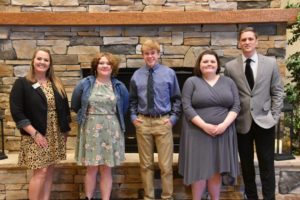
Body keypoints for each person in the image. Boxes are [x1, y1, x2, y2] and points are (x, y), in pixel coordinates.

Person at [224, 27, 284, 200]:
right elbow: (228, 95)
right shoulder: (230, 67)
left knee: (267, 163)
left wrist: (274, 116)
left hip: (265, 121)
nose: (247, 42)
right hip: (242, 122)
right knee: (247, 165)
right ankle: (251, 196)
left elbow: (278, 91)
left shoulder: (270, 63)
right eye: (244, 39)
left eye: (250, 39)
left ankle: (269, 197)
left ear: (256, 41)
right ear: (239, 43)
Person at [9, 49, 71, 200]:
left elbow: (64, 108)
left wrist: (65, 132)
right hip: (35, 134)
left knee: (49, 170)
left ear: (50, 64)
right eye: (39, 59)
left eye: (46, 60)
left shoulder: (56, 83)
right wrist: (34, 133)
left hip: (55, 133)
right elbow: (17, 112)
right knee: (41, 172)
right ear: (33, 60)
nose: (42, 62)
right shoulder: (22, 83)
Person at [178, 50, 240, 200]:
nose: (209, 64)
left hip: (223, 132)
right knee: (198, 170)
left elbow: (236, 106)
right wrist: (204, 126)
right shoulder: (191, 82)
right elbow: (186, 106)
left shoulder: (229, 82)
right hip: (196, 132)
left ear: (218, 64)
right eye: (205, 61)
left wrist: (224, 125)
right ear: (199, 65)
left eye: (212, 61)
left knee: (216, 169)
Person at [71, 52, 129, 200]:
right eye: (101, 63)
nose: (104, 66)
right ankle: (88, 198)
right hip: (90, 128)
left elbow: (124, 107)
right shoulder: (85, 83)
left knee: (106, 169)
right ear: (96, 66)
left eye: (108, 63)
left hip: (112, 130)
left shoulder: (119, 86)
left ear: (112, 67)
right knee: (91, 168)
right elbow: (76, 104)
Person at [129, 39, 181, 200]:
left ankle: (167, 196)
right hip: (143, 123)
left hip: (163, 122)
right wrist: (133, 117)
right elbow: (132, 100)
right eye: (146, 53)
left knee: (165, 166)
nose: (150, 56)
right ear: (143, 55)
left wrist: (172, 119)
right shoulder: (137, 75)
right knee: (146, 165)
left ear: (158, 54)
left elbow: (177, 99)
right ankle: (148, 196)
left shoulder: (169, 73)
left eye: (153, 53)